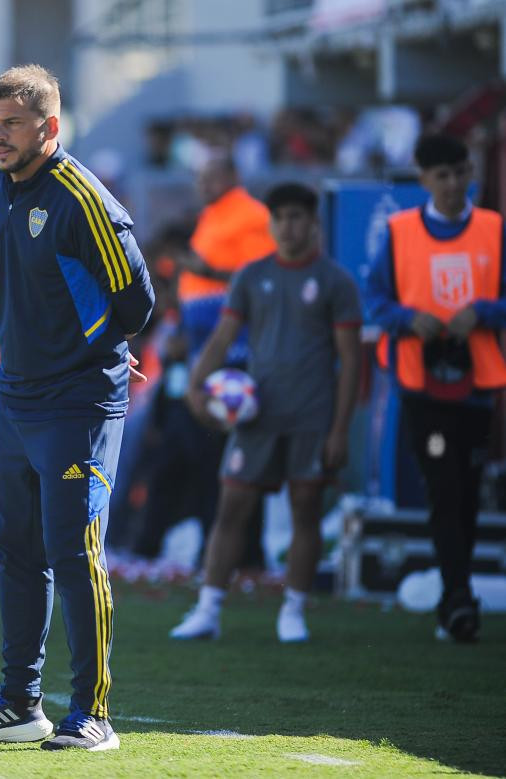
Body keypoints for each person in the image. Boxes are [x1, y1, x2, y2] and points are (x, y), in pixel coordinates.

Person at [0, 65, 154, 752]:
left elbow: (136, 303)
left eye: (9, 124)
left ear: (49, 127)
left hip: (77, 401)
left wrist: (96, 347)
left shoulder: (82, 199)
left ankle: (92, 711)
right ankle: (19, 701)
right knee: (17, 550)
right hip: (16, 395)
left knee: (75, 550)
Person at [169, 183, 362, 643]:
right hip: (256, 413)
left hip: (311, 415)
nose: (289, 227)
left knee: (305, 509)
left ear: (314, 223)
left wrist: (340, 429)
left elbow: (352, 360)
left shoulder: (335, 281)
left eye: (297, 218)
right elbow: (221, 338)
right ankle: (208, 609)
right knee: (232, 505)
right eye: (281, 218)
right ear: (271, 224)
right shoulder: (251, 276)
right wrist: (196, 385)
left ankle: (293, 611)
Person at [367, 133, 506, 643]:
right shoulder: (401, 232)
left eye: (460, 172)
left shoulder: (494, 229)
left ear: (471, 173)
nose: (452, 184)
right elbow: (375, 302)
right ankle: (458, 599)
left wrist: (486, 313)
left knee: (466, 494)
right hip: (422, 387)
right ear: (423, 178)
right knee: (444, 487)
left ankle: (456, 596)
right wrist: (409, 319)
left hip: (476, 386)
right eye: (441, 175)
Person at [167, 155, 276, 569]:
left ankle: (244, 553)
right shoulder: (213, 217)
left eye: (212, 175)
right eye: (200, 175)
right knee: (204, 456)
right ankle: (216, 548)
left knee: (235, 456)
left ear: (233, 175)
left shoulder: (249, 215)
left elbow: (259, 278)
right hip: (204, 353)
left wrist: (208, 270)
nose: (204, 183)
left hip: (236, 357)